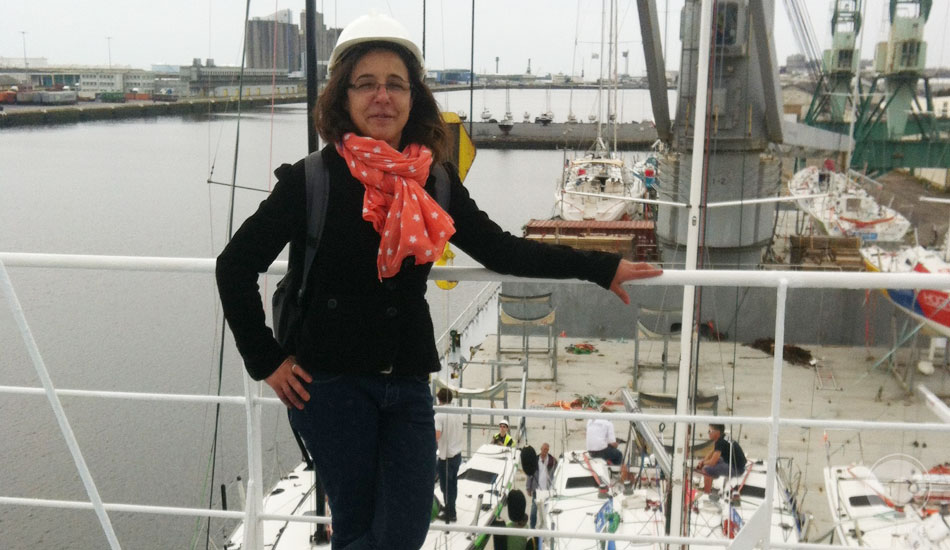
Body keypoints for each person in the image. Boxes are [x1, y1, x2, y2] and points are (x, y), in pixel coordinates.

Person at [215, 12, 662, 550]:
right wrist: (266, 361)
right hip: (330, 384)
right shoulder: (312, 180)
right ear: (343, 98)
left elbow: (500, 248)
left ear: (414, 98)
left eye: (396, 84)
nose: (382, 96)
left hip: (405, 381)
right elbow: (234, 265)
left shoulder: (433, 179)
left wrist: (600, 266)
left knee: (405, 528)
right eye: (366, 83)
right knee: (356, 528)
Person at [434, 388, 463, 523]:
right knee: (453, 485)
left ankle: (451, 513)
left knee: (445, 487)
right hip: (457, 454)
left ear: (439, 400)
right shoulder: (457, 412)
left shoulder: (439, 415)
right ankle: (451, 508)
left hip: (446, 457)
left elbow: (436, 436)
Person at [696, 423, 747, 494]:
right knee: (713, 462)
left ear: (717, 432)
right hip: (739, 465)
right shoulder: (724, 437)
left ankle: (707, 493)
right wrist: (703, 460)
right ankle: (713, 477)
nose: (708, 433)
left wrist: (703, 463)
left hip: (737, 469)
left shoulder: (720, 442)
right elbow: (712, 452)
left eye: (710, 431)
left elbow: (712, 462)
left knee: (706, 469)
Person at [586, 418, 629, 482]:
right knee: (619, 454)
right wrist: (616, 444)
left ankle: (608, 464)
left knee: (608, 449)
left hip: (590, 451)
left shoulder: (590, 420)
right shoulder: (609, 423)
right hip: (601, 451)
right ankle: (615, 473)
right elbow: (613, 444)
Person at [525, 442, 557, 529]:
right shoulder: (535, 460)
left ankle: (544, 526)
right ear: (541, 449)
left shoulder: (552, 461)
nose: (545, 451)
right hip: (536, 489)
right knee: (534, 510)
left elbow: (556, 473)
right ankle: (532, 527)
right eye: (544, 449)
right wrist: (528, 488)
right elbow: (529, 474)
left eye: (547, 449)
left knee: (546, 510)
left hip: (547, 490)